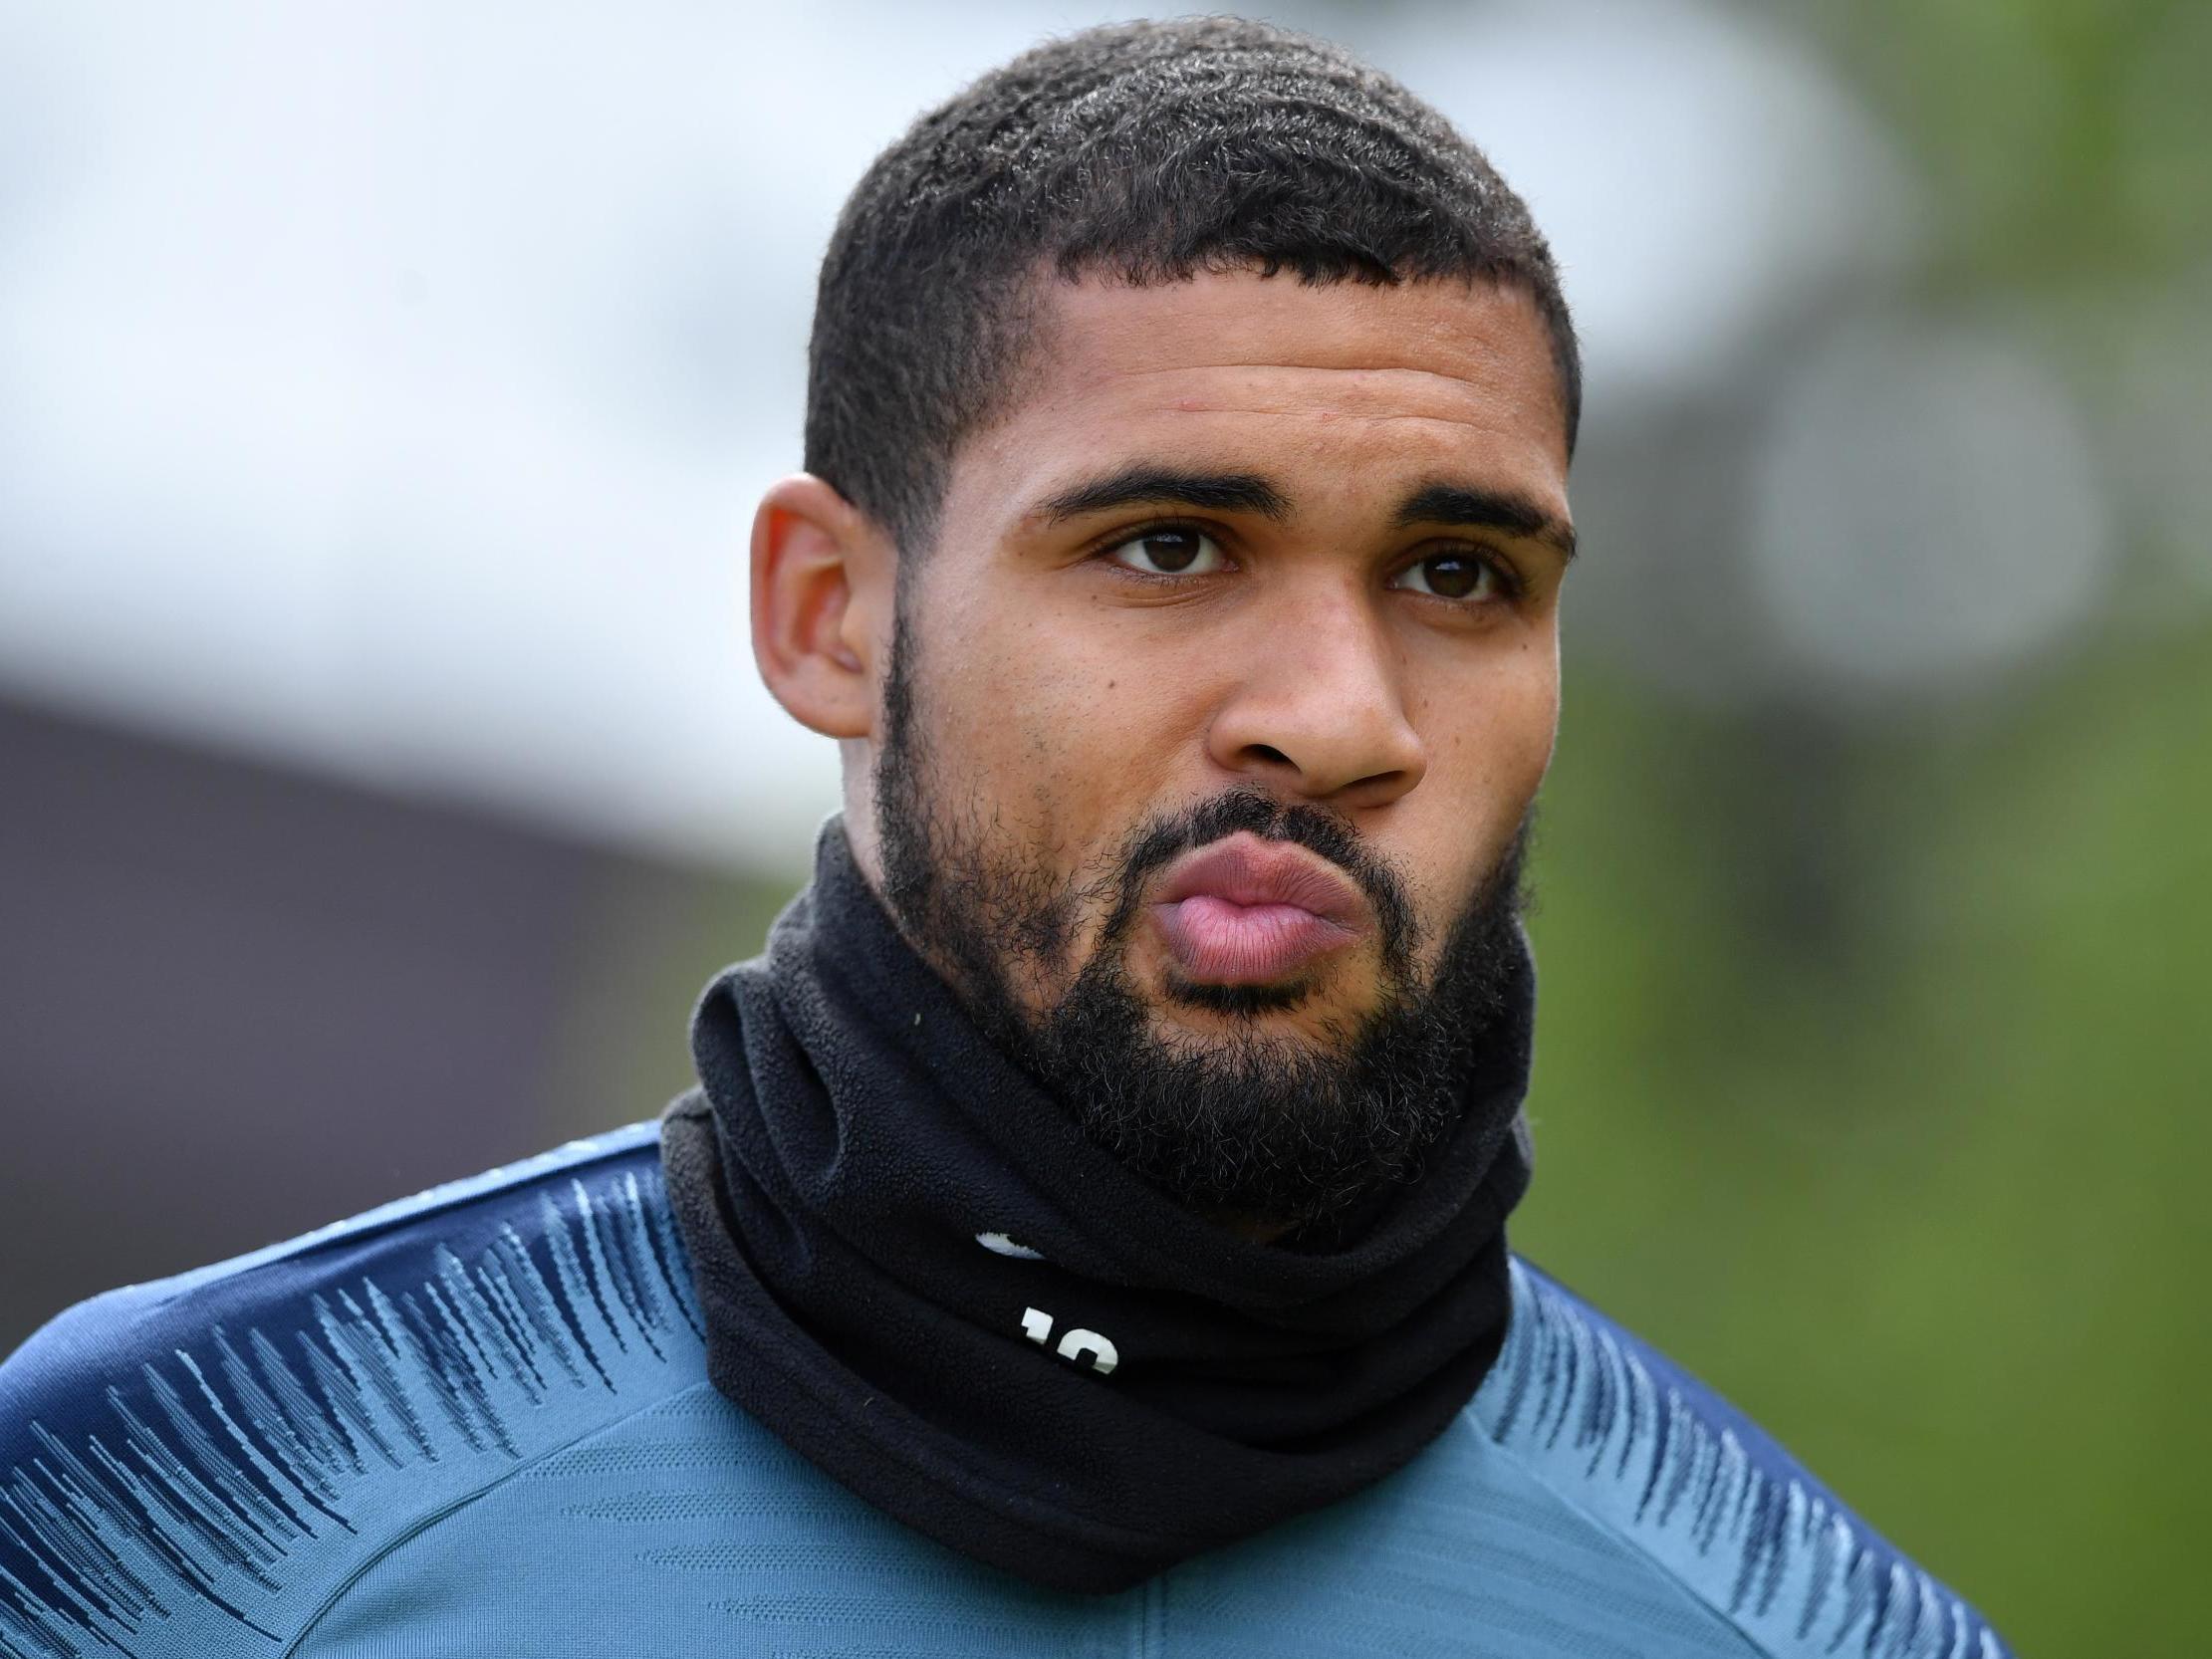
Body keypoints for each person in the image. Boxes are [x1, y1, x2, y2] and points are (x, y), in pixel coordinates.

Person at [0, 18, 2011, 1657]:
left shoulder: (1806, 1627)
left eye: (1460, 575)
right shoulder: (178, 1509)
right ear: (828, 613)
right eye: (1165, 543)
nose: (1337, 712)